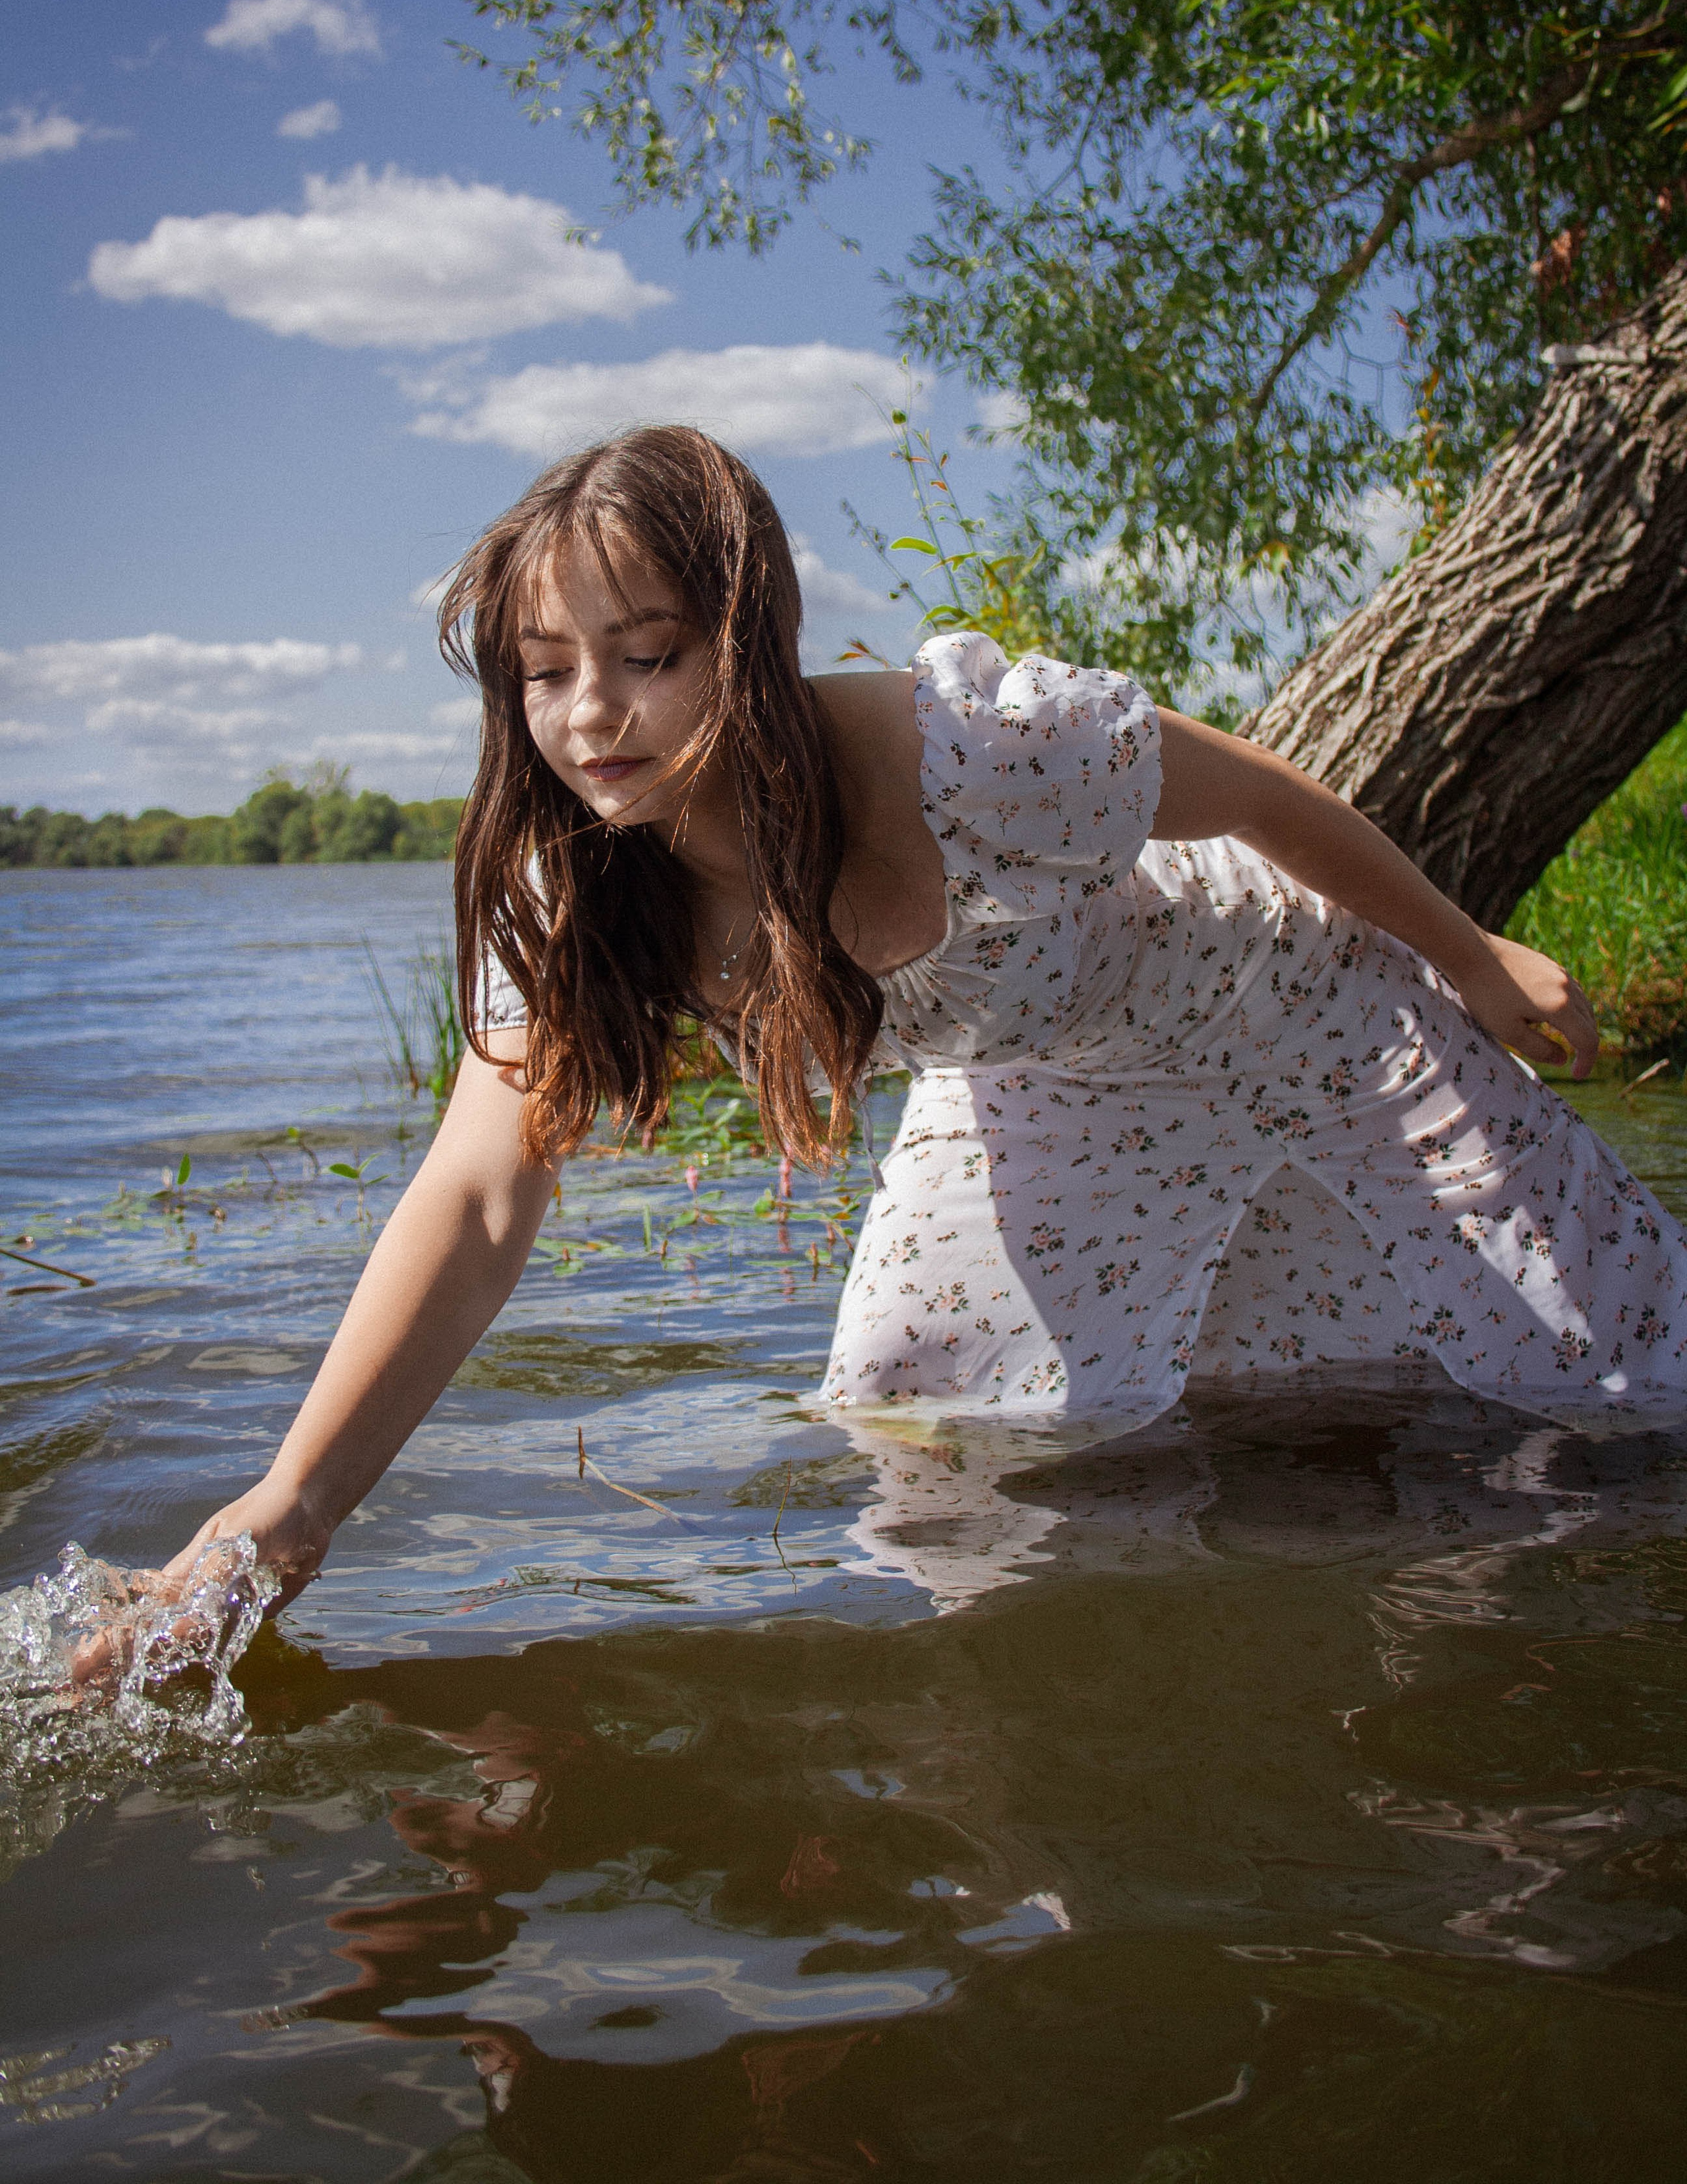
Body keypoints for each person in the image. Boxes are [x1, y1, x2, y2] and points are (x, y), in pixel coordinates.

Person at [156, 427, 1687, 1609]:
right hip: (1044, 1084)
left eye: (646, 655)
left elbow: (1252, 792)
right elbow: (481, 1196)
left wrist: (1470, 953)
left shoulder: (965, 749)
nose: (591, 716)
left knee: (1608, 1390)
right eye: (545, 674)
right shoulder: (576, 894)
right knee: (926, 1434)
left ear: (742, 636)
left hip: (1289, 1008)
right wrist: (291, 1505)